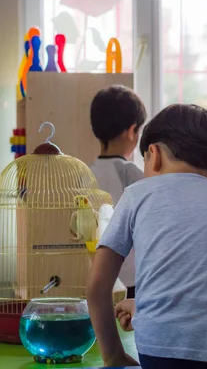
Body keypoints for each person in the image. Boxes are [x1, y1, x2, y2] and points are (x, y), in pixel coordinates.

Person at [86, 104, 207, 369]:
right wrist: (142, 306)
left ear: (153, 155)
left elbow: (98, 288)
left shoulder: (137, 194)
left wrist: (113, 356)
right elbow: (201, 285)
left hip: (165, 348)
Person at [89, 84, 147, 299]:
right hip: (131, 278)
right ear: (132, 131)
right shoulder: (130, 173)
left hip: (97, 275)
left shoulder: (86, 171)